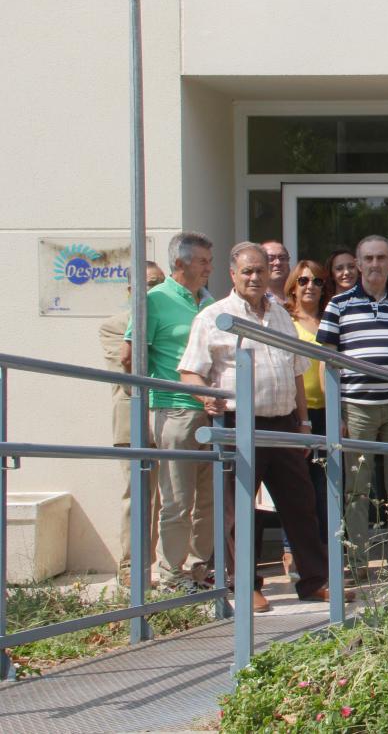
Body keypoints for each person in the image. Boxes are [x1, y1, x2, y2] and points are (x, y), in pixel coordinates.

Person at [177, 242, 350, 612]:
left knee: (301, 506)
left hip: (284, 423)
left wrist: (303, 423)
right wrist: (205, 397)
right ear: (233, 275)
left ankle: (315, 581)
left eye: (260, 270)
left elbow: (297, 372)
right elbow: (190, 371)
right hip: (240, 423)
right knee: (239, 511)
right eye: (248, 271)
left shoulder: (279, 315)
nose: (255, 277)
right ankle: (244, 585)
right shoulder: (213, 316)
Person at [316, 235, 388, 580]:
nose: (375, 264)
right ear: (357, 262)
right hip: (355, 407)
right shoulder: (338, 305)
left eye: (381, 258)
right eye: (368, 258)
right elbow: (327, 363)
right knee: (355, 489)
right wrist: (333, 414)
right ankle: (356, 563)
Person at [121, 232, 215, 592]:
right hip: (175, 411)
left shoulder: (207, 302)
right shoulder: (153, 301)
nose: (210, 268)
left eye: (210, 261)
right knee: (176, 500)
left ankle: (196, 569)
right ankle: (172, 576)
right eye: (203, 261)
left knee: (209, 500)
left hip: (213, 411)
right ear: (180, 263)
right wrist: (148, 401)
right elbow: (130, 356)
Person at [103, 261, 164, 586]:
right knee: (139, 497)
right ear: (131, 291)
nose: (155, 292)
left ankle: (174, 568)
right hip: (135, 424)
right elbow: (128, 374)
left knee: (174, 501)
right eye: (148, 285)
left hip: (170, 418)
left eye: (159, 284)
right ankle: (132, 569)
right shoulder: (114, 326)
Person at [281, 258, 331, 577]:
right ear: (292, 287)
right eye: (302, 281)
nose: (309, 286)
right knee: (295, 487)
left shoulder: (331, 320)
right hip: (296, 413)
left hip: (329, 412)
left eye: (316, 281)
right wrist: (301, 418)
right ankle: (291, 552)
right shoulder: (284, 320)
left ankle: (323, 554)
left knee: (324, 486)